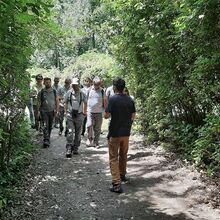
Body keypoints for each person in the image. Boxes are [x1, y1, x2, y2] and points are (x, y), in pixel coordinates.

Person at [104, 78, 136, 193]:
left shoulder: (113, 99)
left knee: (113, 158)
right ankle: (122, 175)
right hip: (126, 133)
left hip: (115, 133)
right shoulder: (130, 99)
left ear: (114, 87)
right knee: (123, 155)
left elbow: (106, 116)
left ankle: (116, 183)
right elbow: (133, 115)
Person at [64, 77, 87, 157]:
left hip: (79, 115)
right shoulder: (68, 93)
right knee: (70, 131)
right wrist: (66, 112)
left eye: (76, 85)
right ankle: (69, 148)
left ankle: (76, 147)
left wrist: (84, 113)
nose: (74, 86)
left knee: (78, 133)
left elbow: (85, 103)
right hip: (70, 115)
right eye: (73, 85)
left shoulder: (82, 93)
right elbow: (65, 103)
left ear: (79, 85)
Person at [37, 77, 60, 147]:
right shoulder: (41, 92)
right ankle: (46, 139)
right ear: (44, 83)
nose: (48, 83)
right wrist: (38, 111)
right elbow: (39, 102)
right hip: (43, 111)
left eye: (49, 82)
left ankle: (48, 138)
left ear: (51, 83)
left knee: (50, 126)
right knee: (44, 125)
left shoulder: (54, 91)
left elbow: (57, 101)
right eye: (46, 82)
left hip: (52, 111)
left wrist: (57, 110)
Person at [86, 76, 106, 148]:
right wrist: (85, 110)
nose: (97, 86)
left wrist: (105, 111)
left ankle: (96, 142)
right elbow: (85, 101)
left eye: (98, 84)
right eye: (96, 84)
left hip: (99, 112)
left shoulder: (102, 91)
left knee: (97, 128)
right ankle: (89, 139)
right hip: (90, 111)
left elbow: (105, 101)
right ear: (93, 83)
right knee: (89, 125)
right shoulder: (89, 90)